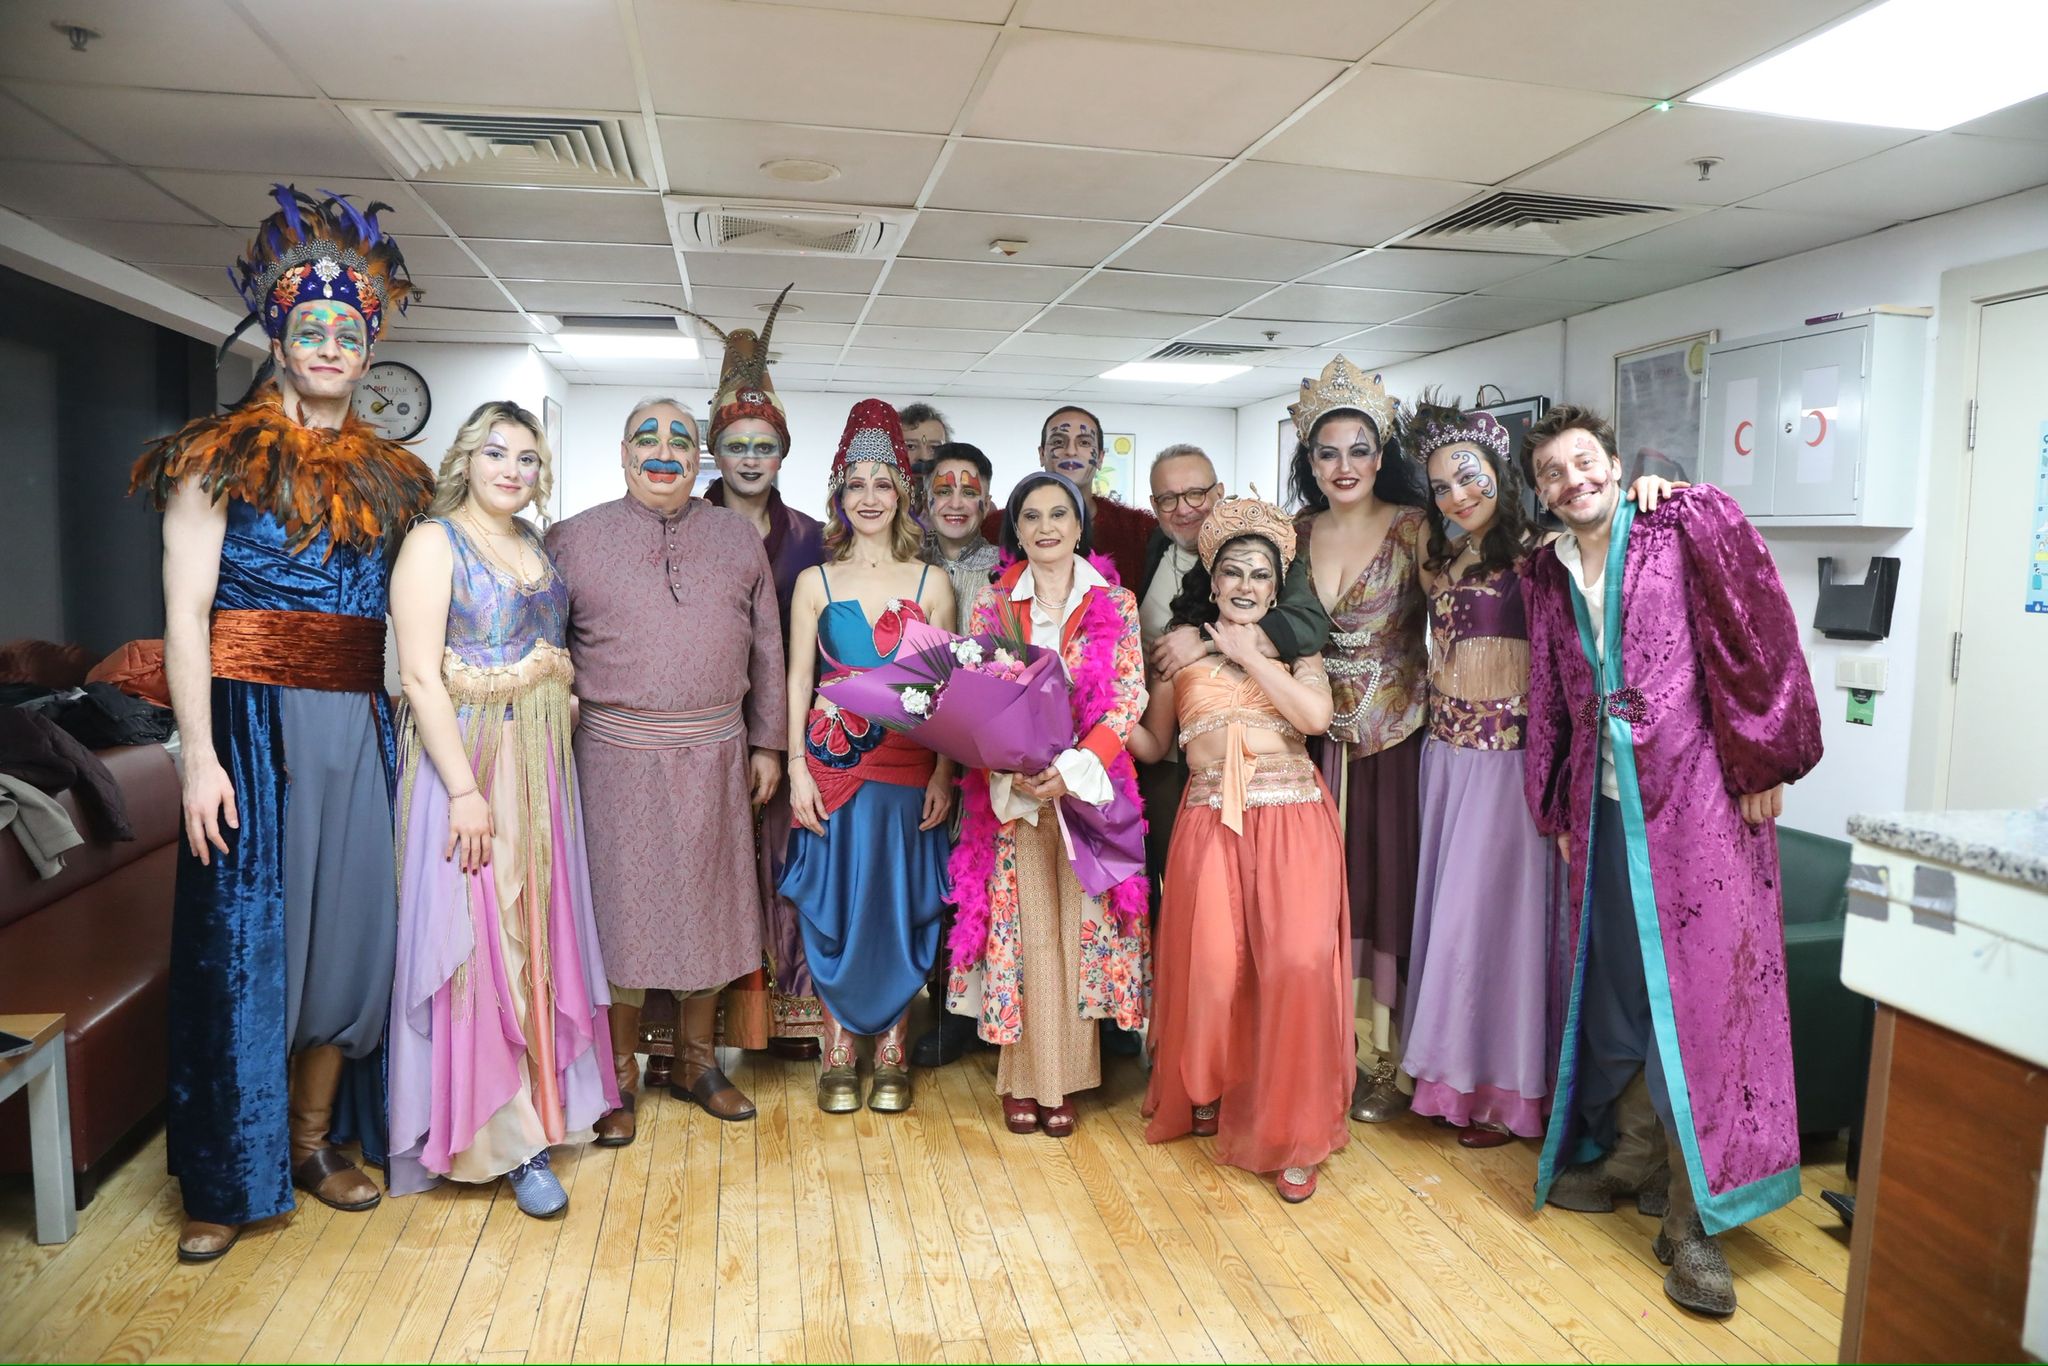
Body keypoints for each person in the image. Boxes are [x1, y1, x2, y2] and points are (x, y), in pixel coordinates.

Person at [130, 186, 433, 1262]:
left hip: (357, 721)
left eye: (348, 332)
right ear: (278, 339)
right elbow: (185, 614)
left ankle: (309, 1141)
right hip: (250, 722)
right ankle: (225, 1172)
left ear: (370, 349)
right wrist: (198, 758)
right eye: (312, 328)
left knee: (347, 940)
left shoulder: (396, 480)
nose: (330, 346)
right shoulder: (212, 458)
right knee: (241, 947)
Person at [1521, 404, 1822, 1318]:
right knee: (1624, 989)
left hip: (1704, 805)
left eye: (1585, 461)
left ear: (1616, 464)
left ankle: (1697, 1219)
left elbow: (1756, 631)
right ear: (1540, 493)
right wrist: (1560, 797)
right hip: (1607, 814)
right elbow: (1555, 687)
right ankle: (1637, 1158)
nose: (1573, 480)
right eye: (1551, 473)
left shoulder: (1685, 522)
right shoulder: (1547, 570)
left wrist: (1765, 760)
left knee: (1708, 1003)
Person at [385, 402, 616, 1217]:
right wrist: (463, 791)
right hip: (472, 764)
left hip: (539, 765)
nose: (511, 470)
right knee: (481, 940)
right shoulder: (432, 541)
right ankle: (501, 1140)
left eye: (526, 457)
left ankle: (541, 1114)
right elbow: (419, 675)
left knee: (534, 932)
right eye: (495, 453)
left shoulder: (531, 545)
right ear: (465, 460)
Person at [545, 397, 785, 1138]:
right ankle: (617, 1076)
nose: (663, 451)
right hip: (611, 757)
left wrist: (768, 744)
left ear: (697, 459)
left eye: (680, 440)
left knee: (710, 909)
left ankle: (695, 1062)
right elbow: (546, 649)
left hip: (716, 752)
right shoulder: (572, 538)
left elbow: (767, 647)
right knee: (618, 916)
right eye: (646, 438)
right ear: (623, 454)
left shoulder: (736, 537)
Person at [1130, 496, 1350, 1203]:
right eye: (1233, 572)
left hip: (1293, 821)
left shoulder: (1298, 653)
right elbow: (1153, 745)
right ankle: (1212, 1086)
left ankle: (1296, 1131)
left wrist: (1251, 653)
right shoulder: (1179, 658)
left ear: (1277, 588)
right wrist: (1090, 705)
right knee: (1215, 970)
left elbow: (1315, 717)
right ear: (1214, 580)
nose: (1246, 585)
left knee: (1296, 965)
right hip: (1209, 824)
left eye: (1261, 574)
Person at [948, 472, 1148, 1140]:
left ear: (1079, 524)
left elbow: (1127, 697)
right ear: (1016, 530)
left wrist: (1071, 770)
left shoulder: (1114, 600)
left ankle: (1063, 1081)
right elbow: (975, 698)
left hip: (1089, 794)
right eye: (1030, 516)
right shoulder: (992, 603)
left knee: (1077, 934)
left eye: (1058, 514)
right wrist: (1017, 765)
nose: (1045, 527)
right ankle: (1022, 1082)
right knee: (1024, 935)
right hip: (1017, 796)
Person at [780, 401, 955, 1113]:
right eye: (857, 485)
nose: (870, 497)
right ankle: (837, 1050)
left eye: (884, 484)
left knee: (897, 905)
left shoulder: (932, 583)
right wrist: (795, 767)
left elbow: (946, 692)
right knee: (837, 907)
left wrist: (944, 772)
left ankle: (891, 1051)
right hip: (833, 769)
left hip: (908, 772)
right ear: (839, 496)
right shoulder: (814, 583)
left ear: (904, 494)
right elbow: (798, 680)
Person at [1398, 394, 1562, 1150]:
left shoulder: (1543, 556)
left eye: (1468, 476)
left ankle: (1502, 1090)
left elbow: (1587, 665)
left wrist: (1620, 717)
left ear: (1500, 470)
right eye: (1441, 486)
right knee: (1454, 920)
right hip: (1446, 757)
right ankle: (1451, 1080)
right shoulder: (1446, 558)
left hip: (1508, 764)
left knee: (1494, 923)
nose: (1457, 495)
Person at [677, 287, 826, 1069]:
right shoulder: (683, 529)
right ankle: (688, 1033)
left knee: (783, 870)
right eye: (735, 445)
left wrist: (788, 743)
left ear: (782, 453)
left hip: (790, 734)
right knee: (698, 875)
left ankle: (785, 1020)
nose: (749, 459)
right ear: (715, 451)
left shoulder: (816, 539)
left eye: (763, 446)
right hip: (698, 730)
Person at [1287, 357, 1432, 1125]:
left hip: (1394, 743)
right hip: (1308, 742)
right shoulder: (1295, 534)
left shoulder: (1416, 527)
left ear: (1381, 457)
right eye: (1327, 452)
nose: (1343, 466)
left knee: (1386, 891)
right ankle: (1321, 1046)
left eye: (1358, 450)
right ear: (1309, 462)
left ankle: (1387, 1060)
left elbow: (1468, 594)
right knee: (1314, 895)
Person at [910, 440, 1002, 1068]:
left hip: (988, 747)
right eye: (944, 489)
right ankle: (935, 1004)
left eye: (970, 491)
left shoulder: (1006, 567)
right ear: (924, 497)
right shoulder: (905, 562)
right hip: (913, 744)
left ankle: (974, 1013)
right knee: (929, 877)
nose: (956, 501)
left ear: (988, 502)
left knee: (980, 879)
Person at [981, 406, 1158, 592]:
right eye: (1058, 442)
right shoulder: (995, 527)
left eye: (1084, 442)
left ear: (1100, 458)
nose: (1071, 451)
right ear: (1042, 454)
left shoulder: (1139, 530)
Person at [898, 401, 951, 517]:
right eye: (910, 446)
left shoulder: (966, 508)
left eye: (934, 447)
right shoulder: (875, 506)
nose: (924, 457)